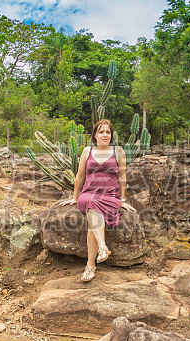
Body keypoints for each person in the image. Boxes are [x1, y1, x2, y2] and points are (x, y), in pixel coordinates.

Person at [58, 119, 136, 282]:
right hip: (88, 193)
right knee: (91, 202)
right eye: (101, 132)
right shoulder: (87, 151)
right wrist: (74, 197)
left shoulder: (118, 151)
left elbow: (122, 176)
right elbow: (80, 176)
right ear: (94, 134)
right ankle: (102, 247)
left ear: (111, 135)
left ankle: (90, 266)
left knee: (93, 217)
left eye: (108, 132)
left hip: (110, 195)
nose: (105, 135)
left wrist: (122, 200)